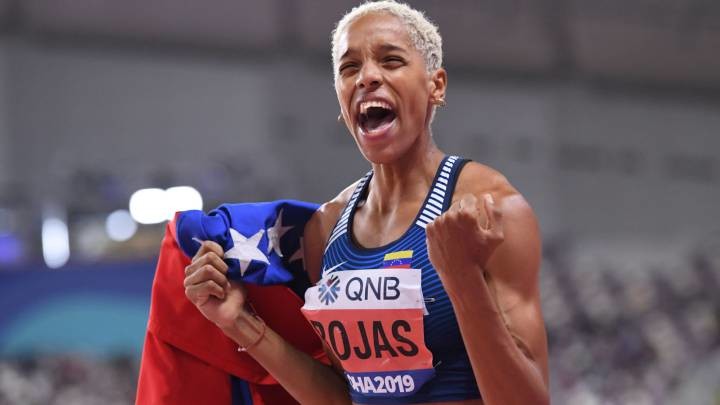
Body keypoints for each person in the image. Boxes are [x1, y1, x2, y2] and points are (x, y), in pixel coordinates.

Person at [183, 1, 549, 404]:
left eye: (391, 61)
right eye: (349, 67)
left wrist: (463, 279)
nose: (367, 77)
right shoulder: (326, 229)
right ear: (340, 101)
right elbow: (348, 398)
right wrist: (240, 324)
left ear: (436, 85)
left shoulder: (490, 211)